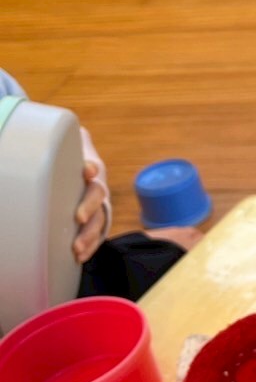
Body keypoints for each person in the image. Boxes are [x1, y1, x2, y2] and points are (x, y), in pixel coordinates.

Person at [0, 68, 201, 345]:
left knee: (190, 246)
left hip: (67, 272)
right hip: (30, 333)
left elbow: (49, 144)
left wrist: (92, 200)